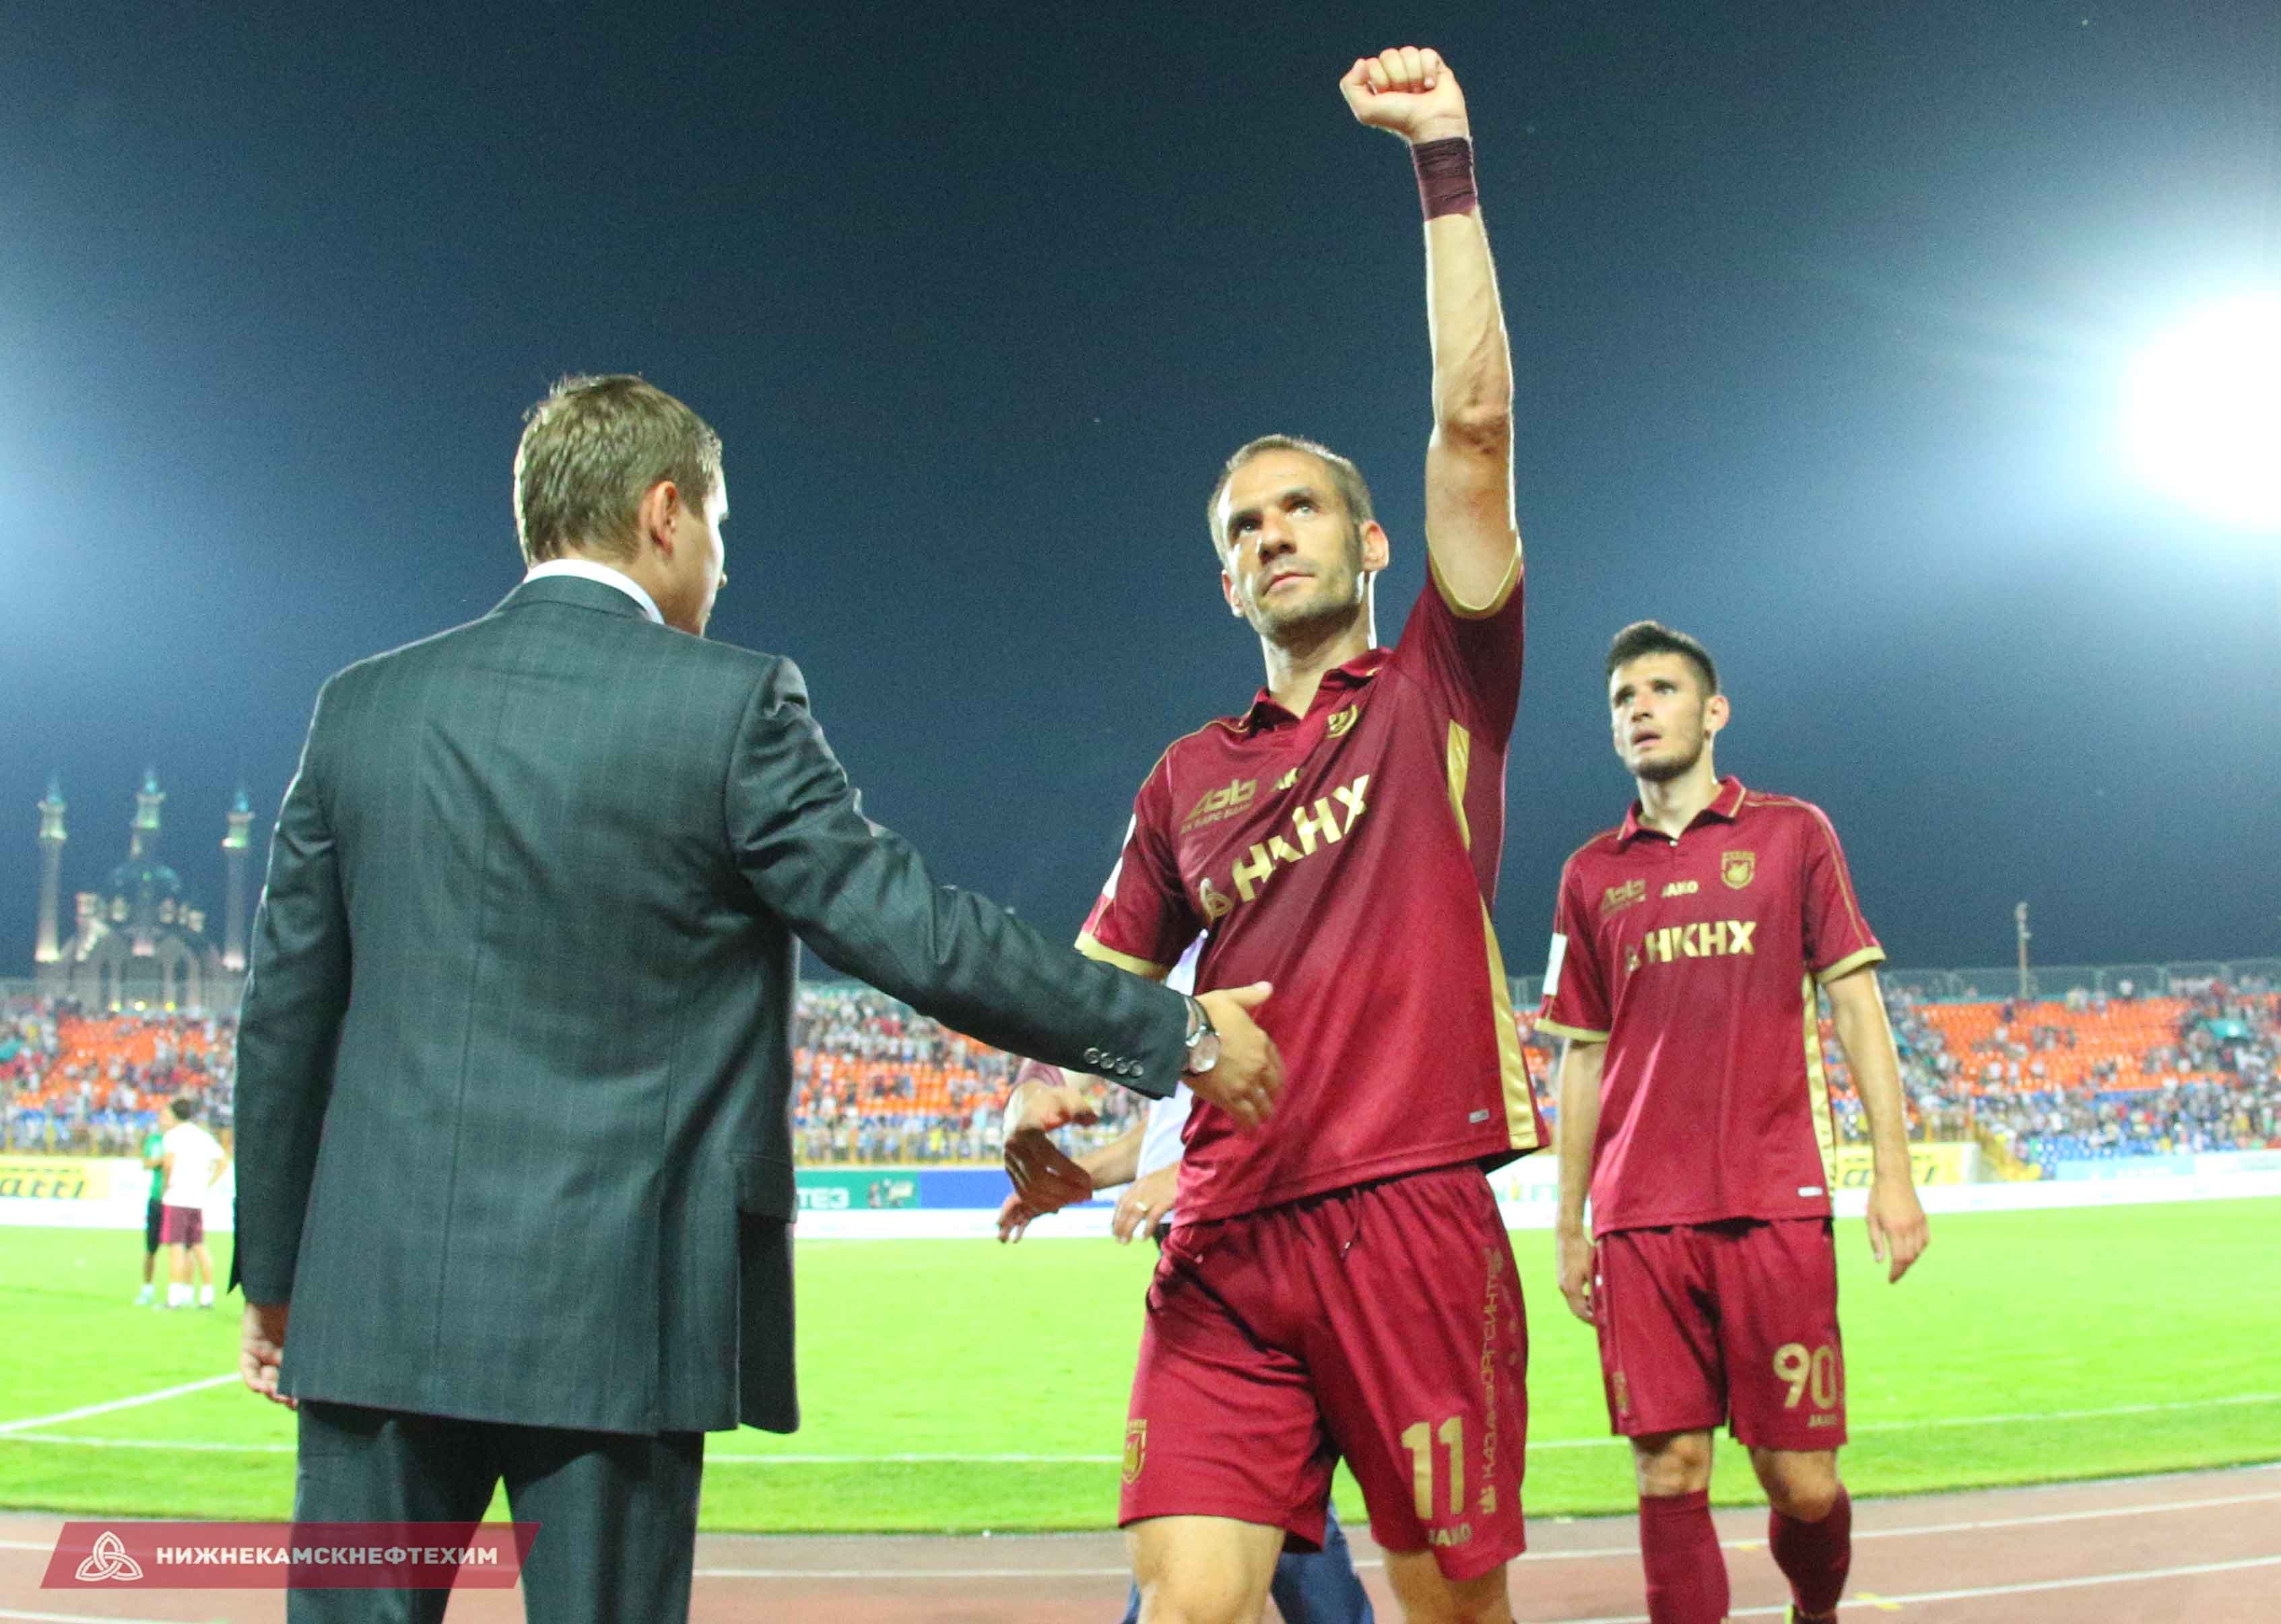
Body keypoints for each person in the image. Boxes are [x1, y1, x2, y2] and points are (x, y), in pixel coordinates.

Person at [232, 373, 1284, 1623]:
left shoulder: (361, 709)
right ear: (664, 513)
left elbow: (285, 1020)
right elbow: (918, 935)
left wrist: (275, 1278)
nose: (723, 565)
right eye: (720, 527)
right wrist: (1175, 1030)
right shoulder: (723, 706)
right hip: (613, 1317)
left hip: (373, 1308)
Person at [1005, 46, 1535, 1624]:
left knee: (1453, 1611)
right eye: (1242, 527)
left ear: (1368, 543)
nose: (1269, 534)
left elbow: (1475, 425)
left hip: (1409, 1211)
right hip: (1226, 1234)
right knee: (1187, 1606)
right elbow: (1099, 979)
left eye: (1297, 508)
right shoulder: (1187, 775)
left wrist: (1443, 161)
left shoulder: (1443, 683)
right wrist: (1048, 1094)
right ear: (1224, 579)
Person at [1535, 621, 1931, 1624]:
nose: (1640, 709)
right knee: (1668, 1469)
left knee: (1800, 1481)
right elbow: (1582, 1056)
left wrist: (1894, 1176)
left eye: (1662, 690)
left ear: (1713, 712)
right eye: (1623, 698)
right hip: (1639, 1219)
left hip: (1773, 1204)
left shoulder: (1793, 834)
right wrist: (1569, 1221)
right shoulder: (1590, 874)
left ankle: (1816, 1610)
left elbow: (1856, 1006)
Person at [996, 945, 1377, 1624]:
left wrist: (1194, 1176)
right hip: (1199, 1244)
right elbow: (1169, 1129)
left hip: (1258, 1242)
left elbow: (1320, 1078)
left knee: (1216, 1491)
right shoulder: (1183, 950)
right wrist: (1078, 1179)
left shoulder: (1264, 934)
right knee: (1228, 1497)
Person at [156, 1097, 227, 1310]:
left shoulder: (173, 1136)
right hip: (197, 1198)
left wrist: (166, 1186)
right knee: (199, 1247)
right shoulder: (203, 1136)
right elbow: (223, 1162)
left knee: (176, 1247)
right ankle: (207, 1296)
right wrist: (208, 1184)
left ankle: (174, 1298)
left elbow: (169, 1163)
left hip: (177, 1197)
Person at [135, 1118, 167, 1306]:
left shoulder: (179, 1140)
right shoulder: (154, 1140)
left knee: (183, 1247)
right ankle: (147, 1290)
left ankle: (181, 1292)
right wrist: (162, 1161)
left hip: (177, 1199)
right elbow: (146, 1163)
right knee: (151, 1247)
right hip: (156, 1198)